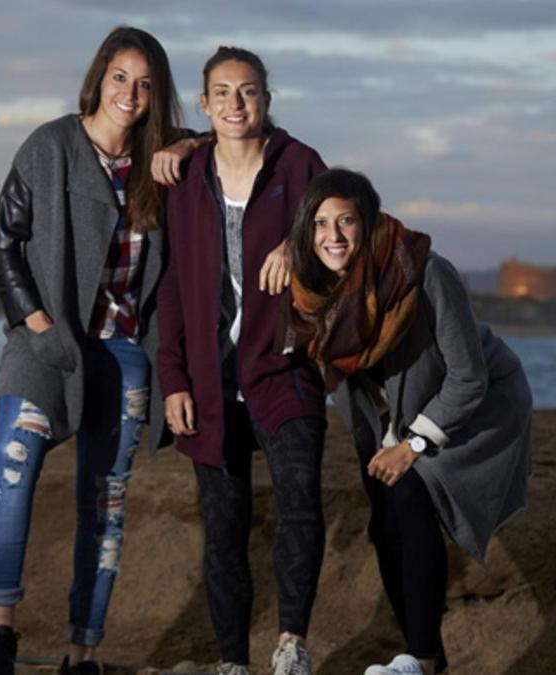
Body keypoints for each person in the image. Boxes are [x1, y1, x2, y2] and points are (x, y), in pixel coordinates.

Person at [0, 26, 204, 675]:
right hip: (47, 343)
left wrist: (187, 143)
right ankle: (0, 636)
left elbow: (234, 142)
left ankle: (82, 651)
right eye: (120, 77)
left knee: (105, 499)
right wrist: (39, 323)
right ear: (99, 78)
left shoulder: (163, 168)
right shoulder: (50, 146)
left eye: (145, 83)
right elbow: (2, 243)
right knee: (12, 465)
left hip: (126, 351)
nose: (130, 93)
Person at [279, 169, 533, 675]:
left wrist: (412, 443)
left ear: (367, 221)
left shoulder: (423, 271)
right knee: (383, 521)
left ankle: (416, 660)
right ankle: (429, 659)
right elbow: (354, 390)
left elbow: (468, 377)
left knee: (412, 490)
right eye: (321, 224)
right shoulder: (317, 295)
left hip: (479, 407)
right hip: (394, 419)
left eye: (346, 221)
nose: (333, 236)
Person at [157, 46, 329, 675]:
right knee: (225, 527)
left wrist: (296, 243)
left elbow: (342, 228)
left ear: (267, 99)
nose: (236, 103)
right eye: (223, 93)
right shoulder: (186, 175)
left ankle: (291, 645)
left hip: (284, 370)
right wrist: (172, 378)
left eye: (249, 91)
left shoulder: (301, 163)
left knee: (300, 500)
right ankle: (232, 663)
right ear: (204, 105)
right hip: (207, 380)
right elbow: (172, 284)